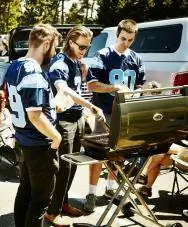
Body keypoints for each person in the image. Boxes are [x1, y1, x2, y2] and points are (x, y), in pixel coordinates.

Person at [45, 26, 105, 225]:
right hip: (64, 122)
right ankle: (52, 212)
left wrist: (85, 111)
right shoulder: (60, 62)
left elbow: (79, 87)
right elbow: (62, 88)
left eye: (87, 48)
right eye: (81, 47)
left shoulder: (77, 62)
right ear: (70, 42)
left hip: (77, 119)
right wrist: (90, 105)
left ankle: (62, 203)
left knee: (71, 167)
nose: (84, 51)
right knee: (63, 168)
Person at [84, 19, 146, 212]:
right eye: (122, 38)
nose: (125, 43)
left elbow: (140, 85)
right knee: (98, 156)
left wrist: (138, 92)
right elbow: (91, 84)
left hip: (125, 115)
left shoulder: (136, 58)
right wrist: (114, 88)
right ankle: (91, 193)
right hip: (103, 113)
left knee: (119, 155)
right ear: (116, 35)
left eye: (130, 39)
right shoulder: (103, 55)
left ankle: (111, 189)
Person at [5, 24, 62, 227]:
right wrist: (57, 137)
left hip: (22, 140)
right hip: (38, 145)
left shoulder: (14, 65)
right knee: (39, 201)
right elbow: (35, 116)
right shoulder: (34, 73)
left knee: (25, 194)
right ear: (46, 44)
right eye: (54, 48)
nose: (54, 54)